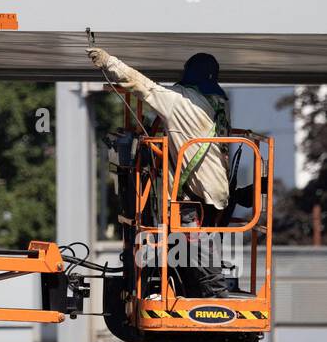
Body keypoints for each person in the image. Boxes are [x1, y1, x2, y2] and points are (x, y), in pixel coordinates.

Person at [87, 47, 231, 295]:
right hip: (216, 186)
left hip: (196, 188)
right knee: (194, 238)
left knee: (190, 234)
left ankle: (216, 291)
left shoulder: (179, 100)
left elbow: (141, 84)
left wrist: (108, 61)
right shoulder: (218, 103)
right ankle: (200, 286)